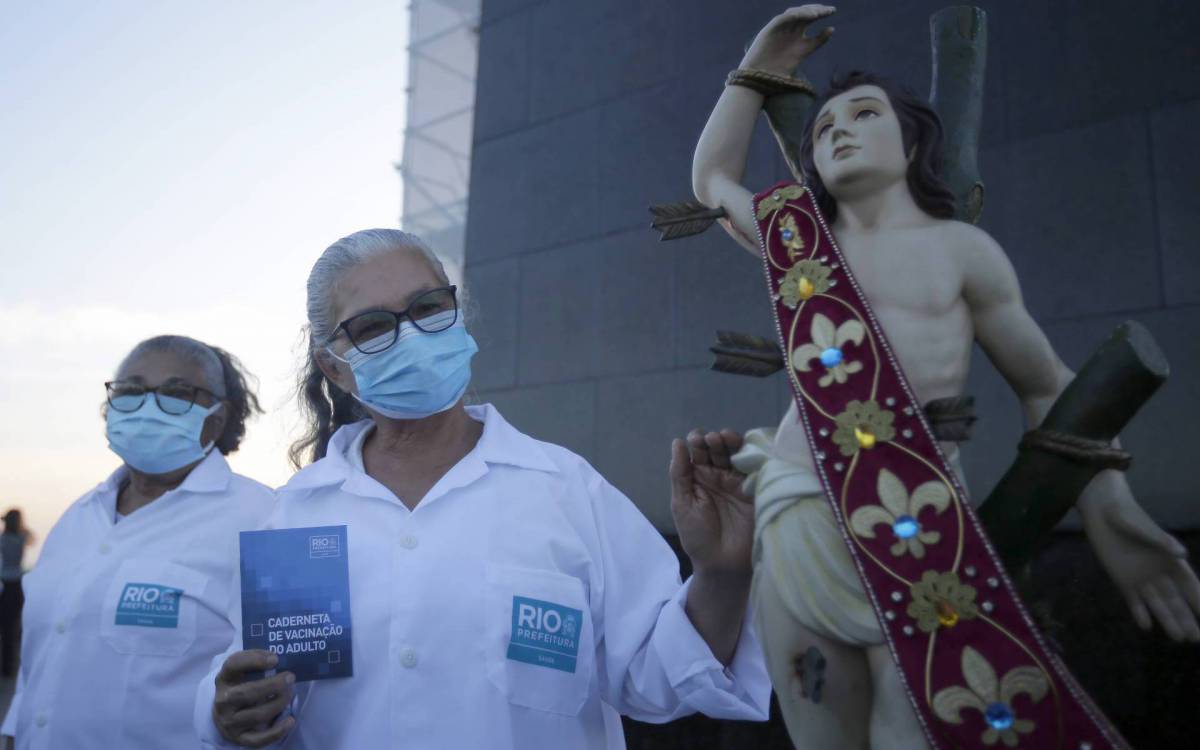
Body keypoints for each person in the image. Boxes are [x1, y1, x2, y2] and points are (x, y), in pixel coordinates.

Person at [692, 5, 1200, 749]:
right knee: (821, 730)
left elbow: (1045, 383)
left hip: (922, 532)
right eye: (824, 125)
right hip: (800, 520)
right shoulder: (799, 239)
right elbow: (711, 179)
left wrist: (1110, 511)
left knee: (930, 728)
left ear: (913, 142)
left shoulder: (960, 250)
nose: (837, 129)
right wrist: (755, 70)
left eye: (863, 115)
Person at [195, 228, 770, 749]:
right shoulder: (293, 516)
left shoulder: (565, 491)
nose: (411, 336)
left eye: (427, 307)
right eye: (372, 327)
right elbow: (253, 684)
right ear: (334, 368)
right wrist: (226, 714)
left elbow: (656, 680)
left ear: (458, 315)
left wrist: (721, 575)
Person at [1, 335, 275, 750]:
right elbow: (46, 652)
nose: (149, 405)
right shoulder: (77, 517)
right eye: (131, 391)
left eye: (177, 392)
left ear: (218, 418)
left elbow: (284, 686)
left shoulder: (263, 520)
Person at [0, 510, 31, 678]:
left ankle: (6, 666)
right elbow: (31, 536)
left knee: (6, 628)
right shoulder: (22, 537)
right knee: (14, 628)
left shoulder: (3, 539)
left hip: (5, 584)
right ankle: (10, 667)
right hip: (17, 585)